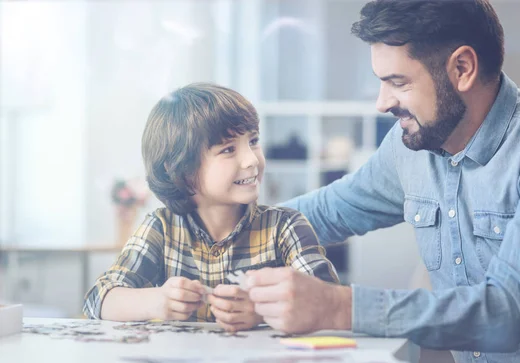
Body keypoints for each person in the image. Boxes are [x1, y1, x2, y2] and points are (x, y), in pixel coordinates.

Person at [245, 0, 520, 363]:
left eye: (398, 82)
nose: (382, 102)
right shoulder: (409, 147)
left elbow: (507, 312)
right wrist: (211, 225)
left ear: (462, 68)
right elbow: (324, 212)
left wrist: (338, 306)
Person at [83, 83, 338, 331]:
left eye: (253, 141)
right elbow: (98, 301)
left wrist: (261, 311)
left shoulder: (286, 227)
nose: (251, 159)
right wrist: (158, 301)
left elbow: (328, 303)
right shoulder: (161, 227)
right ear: (182, 171)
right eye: (228, 149)